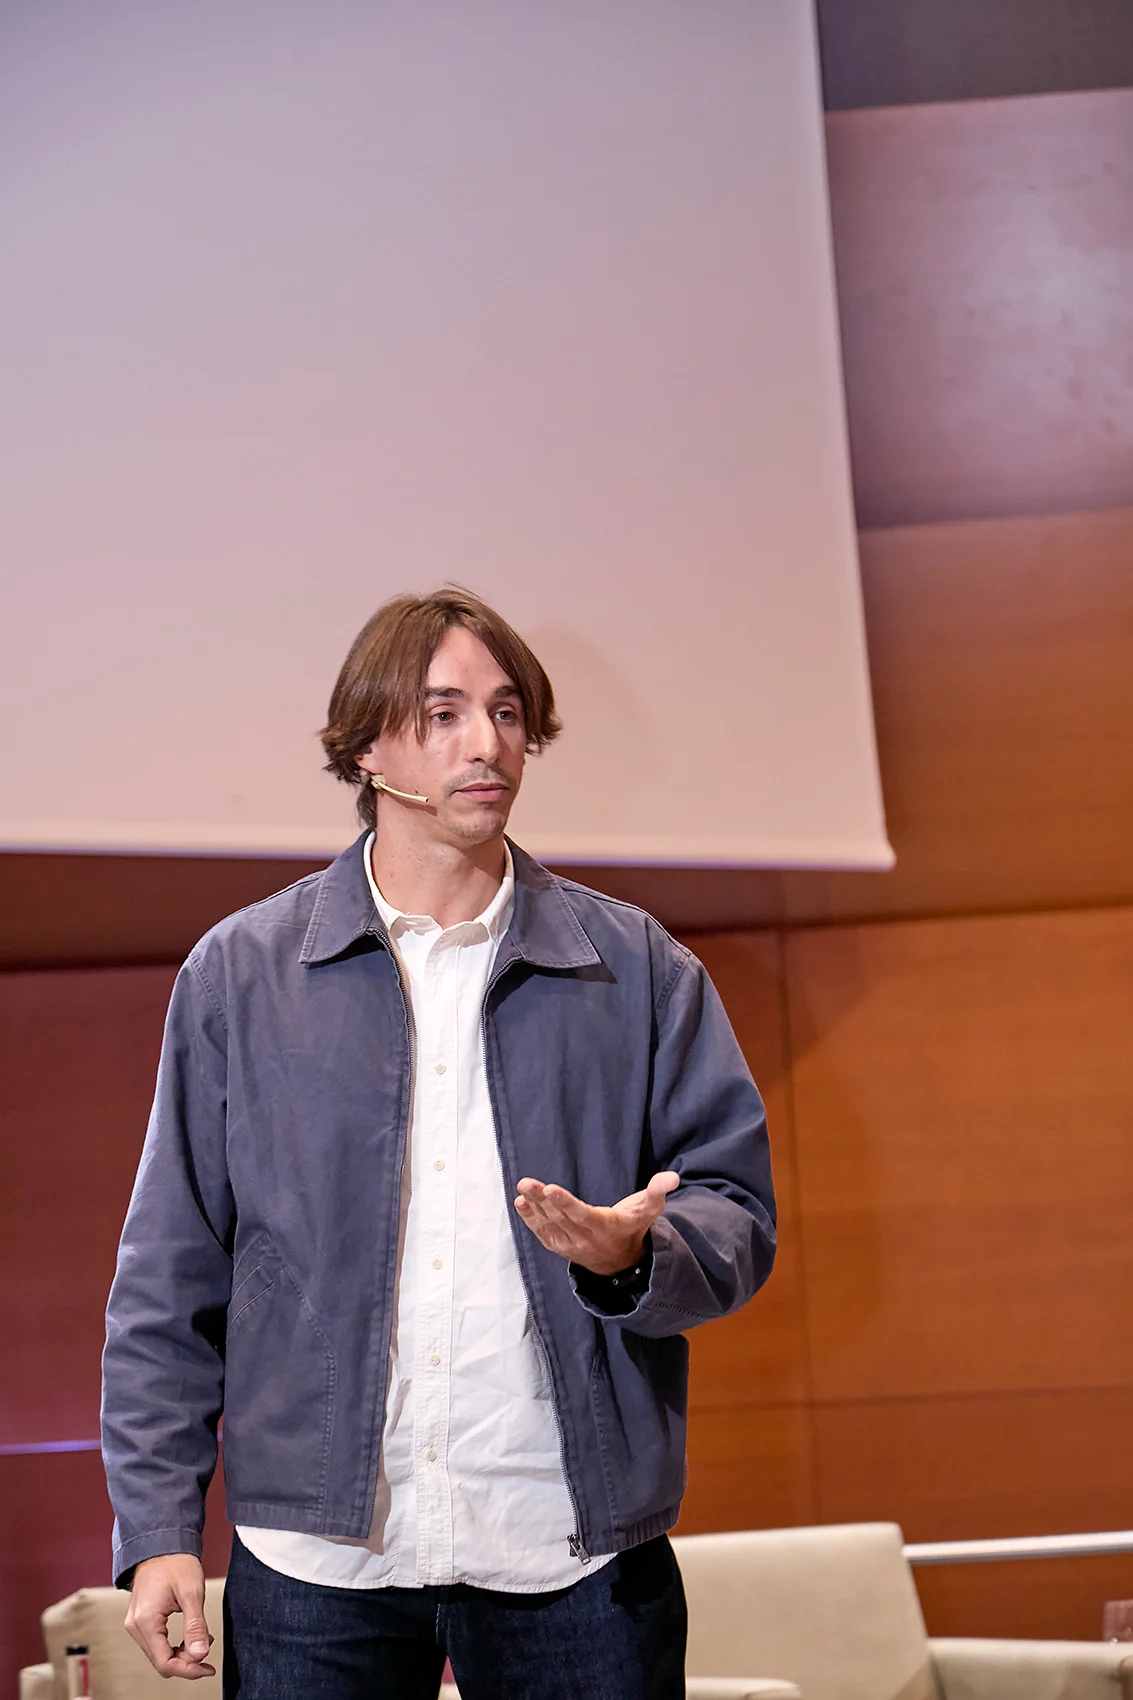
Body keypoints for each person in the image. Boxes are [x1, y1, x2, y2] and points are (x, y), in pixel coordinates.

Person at [101, 587, 776, 1700]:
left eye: (507, 713)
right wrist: (159, 1523)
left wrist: (632, 1256)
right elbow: (169, 1276)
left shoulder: (637, 967)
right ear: (368, 745)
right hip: (316, 1561)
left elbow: (732, 1209)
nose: (488, 742)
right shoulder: (242, 974)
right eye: (445, 712)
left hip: (571, 1546)